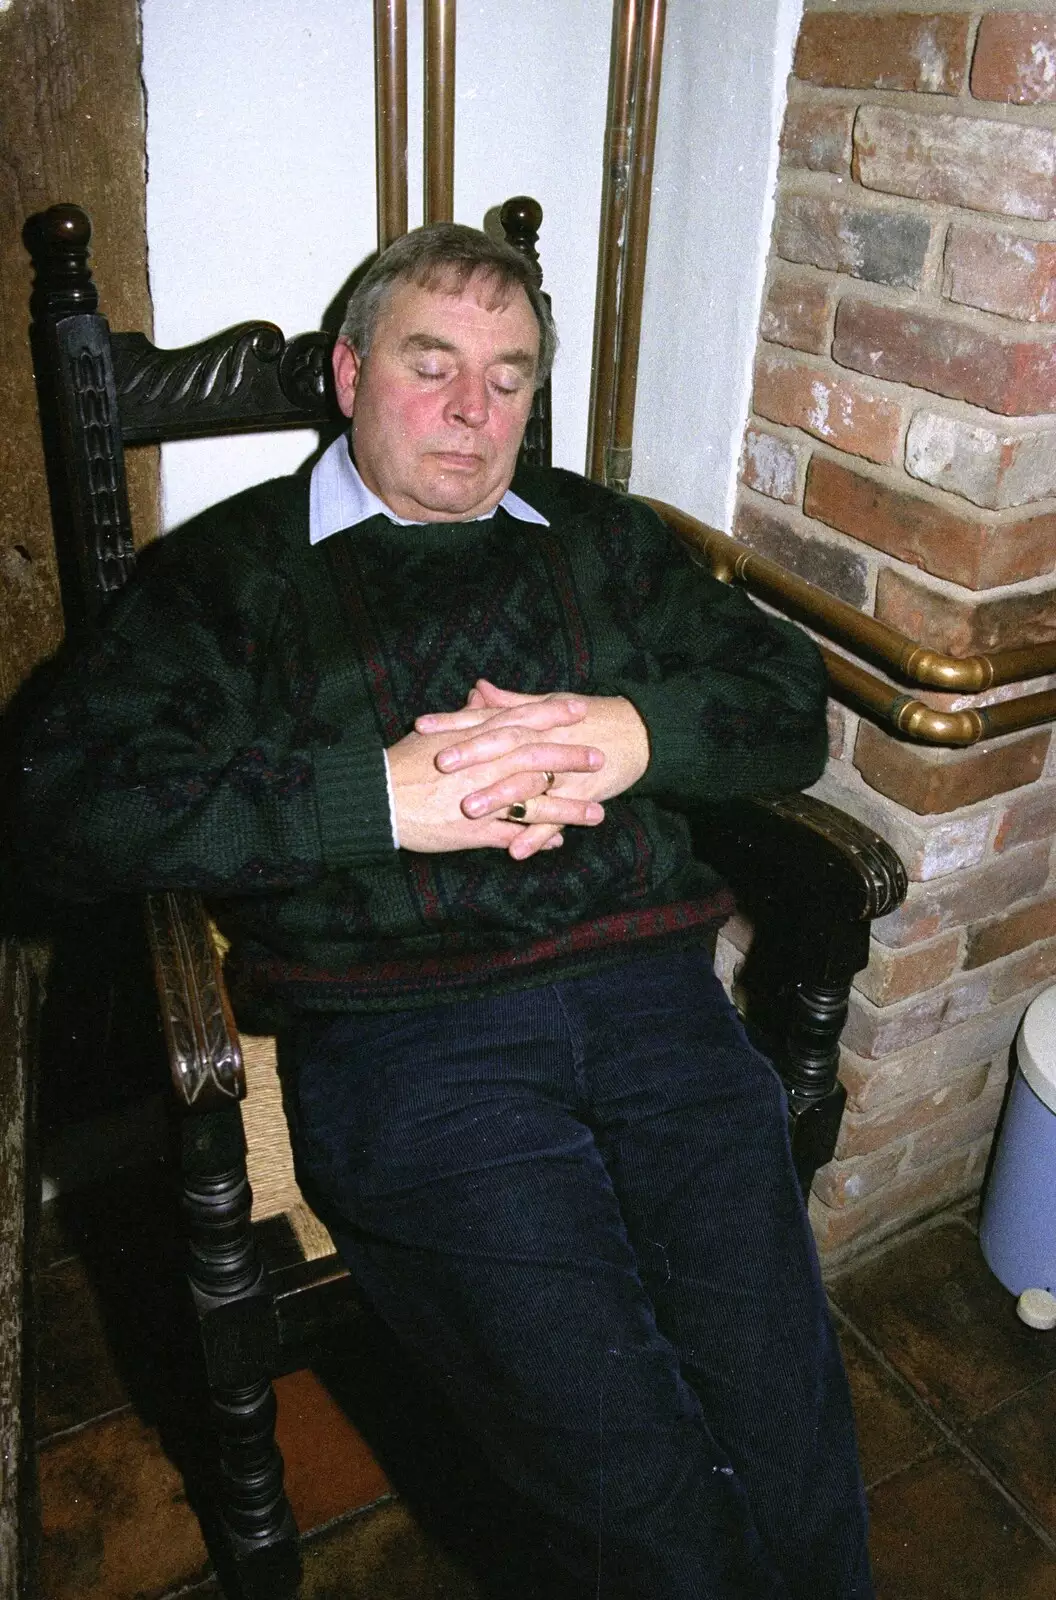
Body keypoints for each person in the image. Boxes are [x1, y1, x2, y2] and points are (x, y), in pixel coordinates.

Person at [19, 222, 873, 1598]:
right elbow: (54, 804)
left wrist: (630, 735)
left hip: (654, 1004)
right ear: (350, 371)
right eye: (434, 364)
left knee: (786, 1425)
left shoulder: (602, 540)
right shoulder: (233, 576)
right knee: (633, 1486)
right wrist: (371, 801)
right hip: (415, 1048)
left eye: (512, 374)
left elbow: (786, 706)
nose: (478, 412)